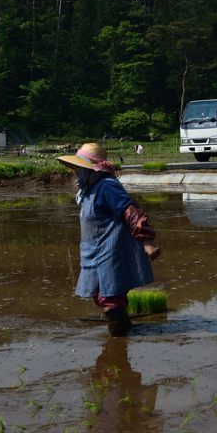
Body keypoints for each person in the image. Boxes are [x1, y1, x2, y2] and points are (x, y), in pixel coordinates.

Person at [58, 142, 160, 336]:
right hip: (94, 251)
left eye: (79, 168)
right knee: (100, 295)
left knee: (110, 299)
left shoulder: (107, 186)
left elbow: (131, 211)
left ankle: (119, 345)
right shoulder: (90, 188)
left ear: (92, 168)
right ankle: (121, 336)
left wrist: (148, 242)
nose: (76, 173)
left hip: (109, 251)